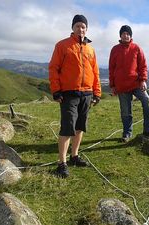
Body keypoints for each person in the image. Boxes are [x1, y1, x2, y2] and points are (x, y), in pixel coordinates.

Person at [49, 14, 101, 178]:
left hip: (86, 93)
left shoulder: (90, 49)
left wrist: (97, 92)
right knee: (67, 127)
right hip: (69, 93)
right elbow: (53, 68)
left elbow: (95, 72)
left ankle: (74, 156)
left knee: (80, 126)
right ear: (72, 27)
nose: (81, 29)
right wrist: (56, 91)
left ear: (87, 29)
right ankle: (61, 163)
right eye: (78, 26)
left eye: (83, 26)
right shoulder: (62, 45)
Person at [109, 25, 149, 142]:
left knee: (146, 101)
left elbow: (143, 66)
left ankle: (148, 129)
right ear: (120, 35)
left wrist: (143, 80)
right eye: (123, 33)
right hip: (121, 86)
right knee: (126, 111)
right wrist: (113, 85)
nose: (126, 35)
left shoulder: (136, 48)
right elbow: (111, 68)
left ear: (131, 36)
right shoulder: (115, 49)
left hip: (136, 83)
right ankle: (127, 133)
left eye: (128, 34)